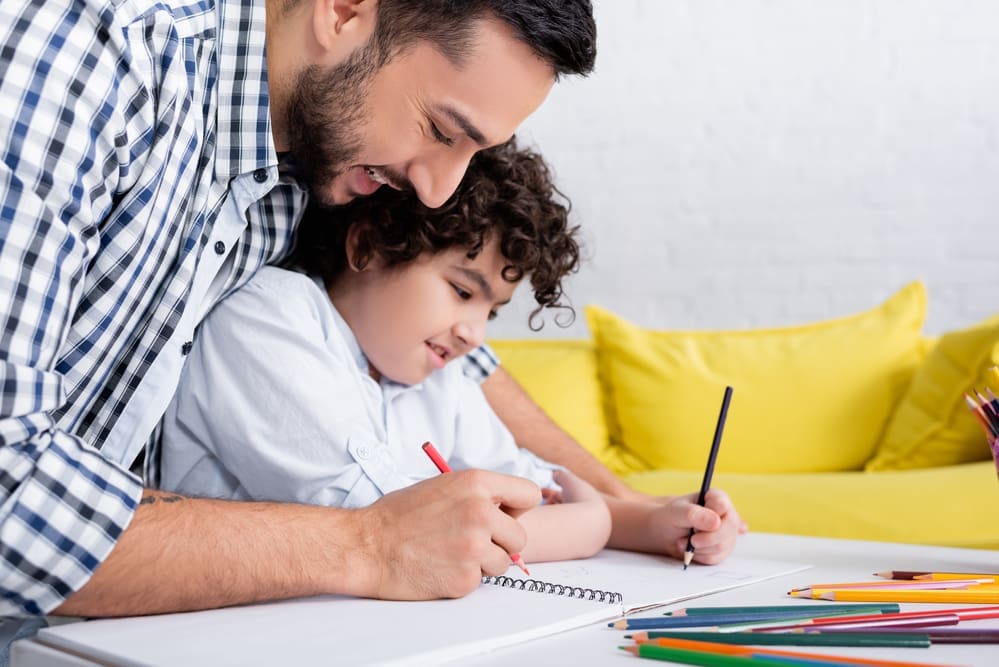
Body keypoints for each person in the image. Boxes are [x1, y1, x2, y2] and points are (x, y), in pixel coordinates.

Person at [0, 0, 599, 625]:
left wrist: (625, 503)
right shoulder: (97, 57)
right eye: (442, 132)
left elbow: (456, 351)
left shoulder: (318, 162)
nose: (438, 191)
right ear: (343, 13)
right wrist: (371, 544)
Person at [158, 139, 741, 568]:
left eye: (491, 311)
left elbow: (537, 486)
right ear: (368, 245)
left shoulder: (435, 378)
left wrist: (659, 522)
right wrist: (592, 524)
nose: (473, 335)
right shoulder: (264, 316)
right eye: (463, 291)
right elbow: (408, 526)